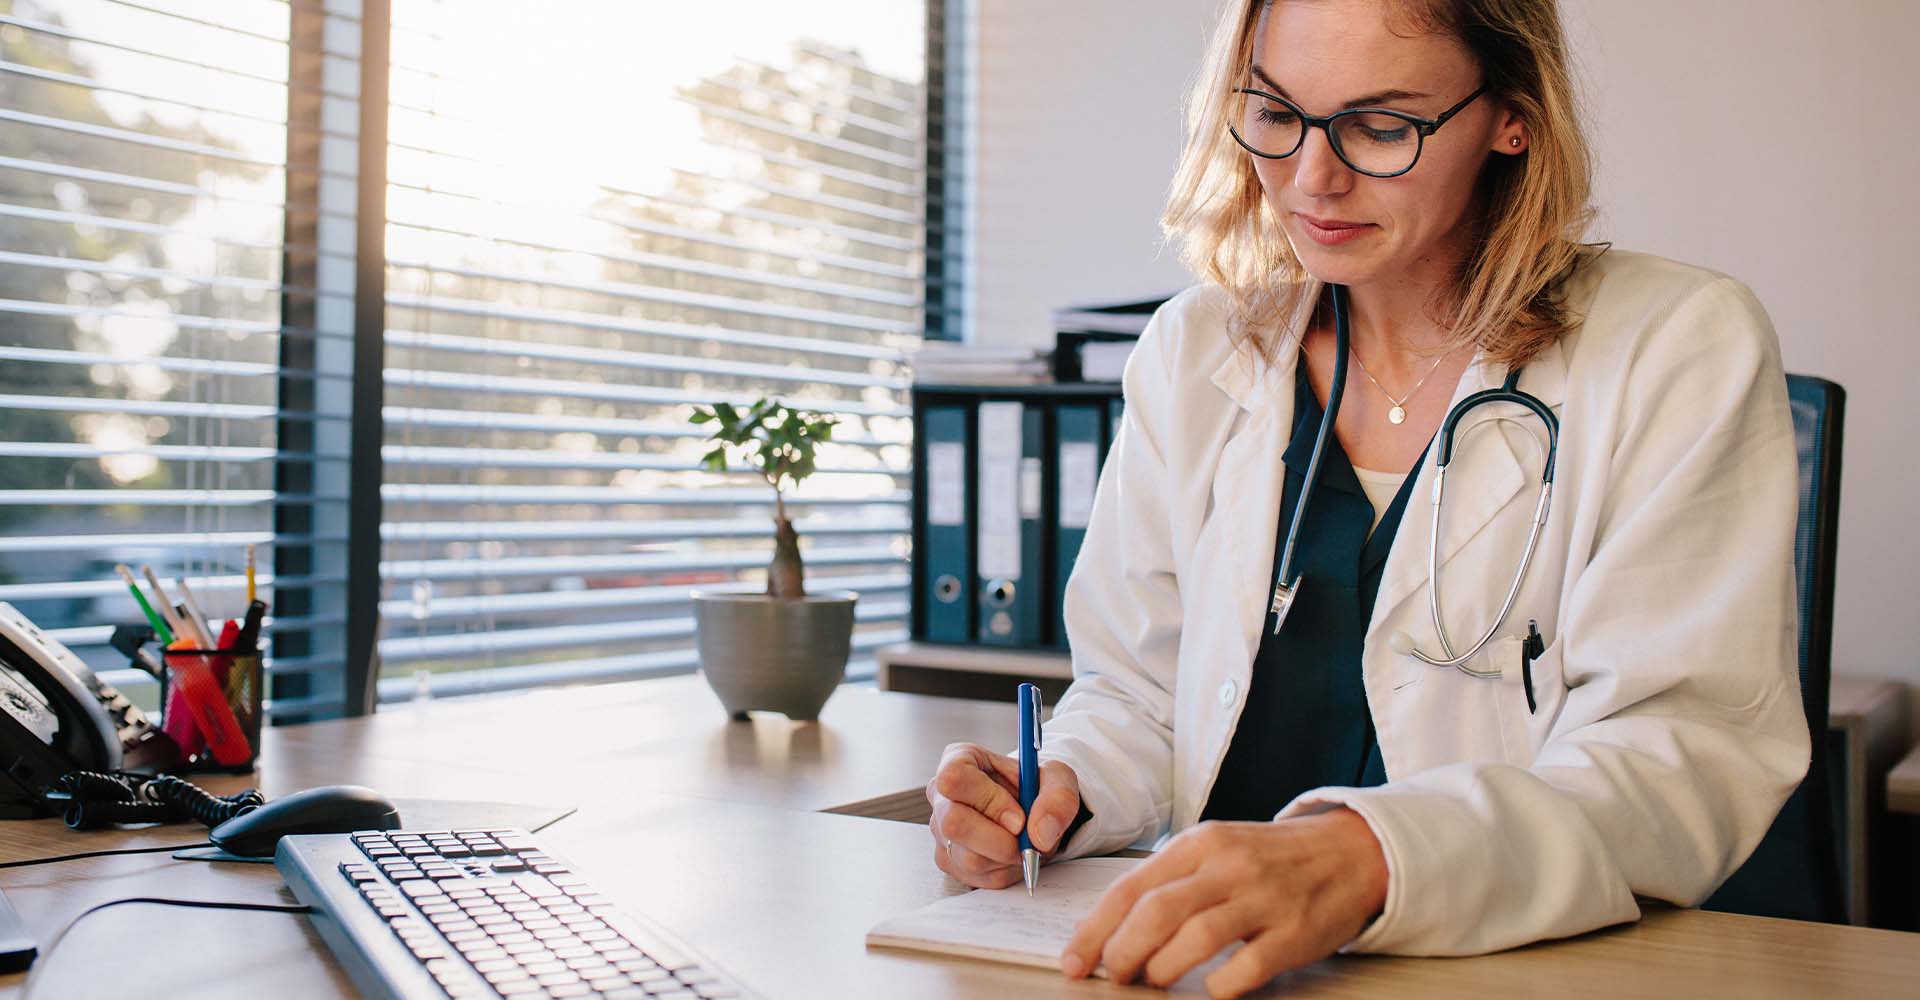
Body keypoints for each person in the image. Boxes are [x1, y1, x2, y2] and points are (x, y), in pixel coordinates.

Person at [923, 0, 1808, 996]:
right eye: (1275, 114)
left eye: (1381, 126)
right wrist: (1057, 791)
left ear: (1512, 117)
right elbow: (1134, 690)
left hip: (1521, 970)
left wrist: (1369, 856)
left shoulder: (1677, 344)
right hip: (1220, 969)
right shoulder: (1195, 351)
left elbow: (1676, 757)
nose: (1313, 176)